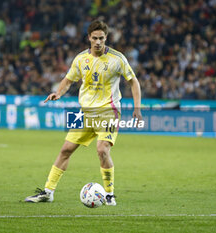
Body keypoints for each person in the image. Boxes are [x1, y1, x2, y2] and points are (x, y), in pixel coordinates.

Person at [25, 20, 142, 205]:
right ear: (89, 38)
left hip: (108, 111)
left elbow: (133, 81)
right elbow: (68, 79)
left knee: (102, 149)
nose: (97, 42)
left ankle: (110, 195)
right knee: (65, 150)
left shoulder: (117, 58)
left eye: (101, 38)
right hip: (84, 112)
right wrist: (58, 92)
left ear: (106, 38)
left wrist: (137, 107)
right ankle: (48, 192)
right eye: (94, 38)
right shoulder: (81, 59)